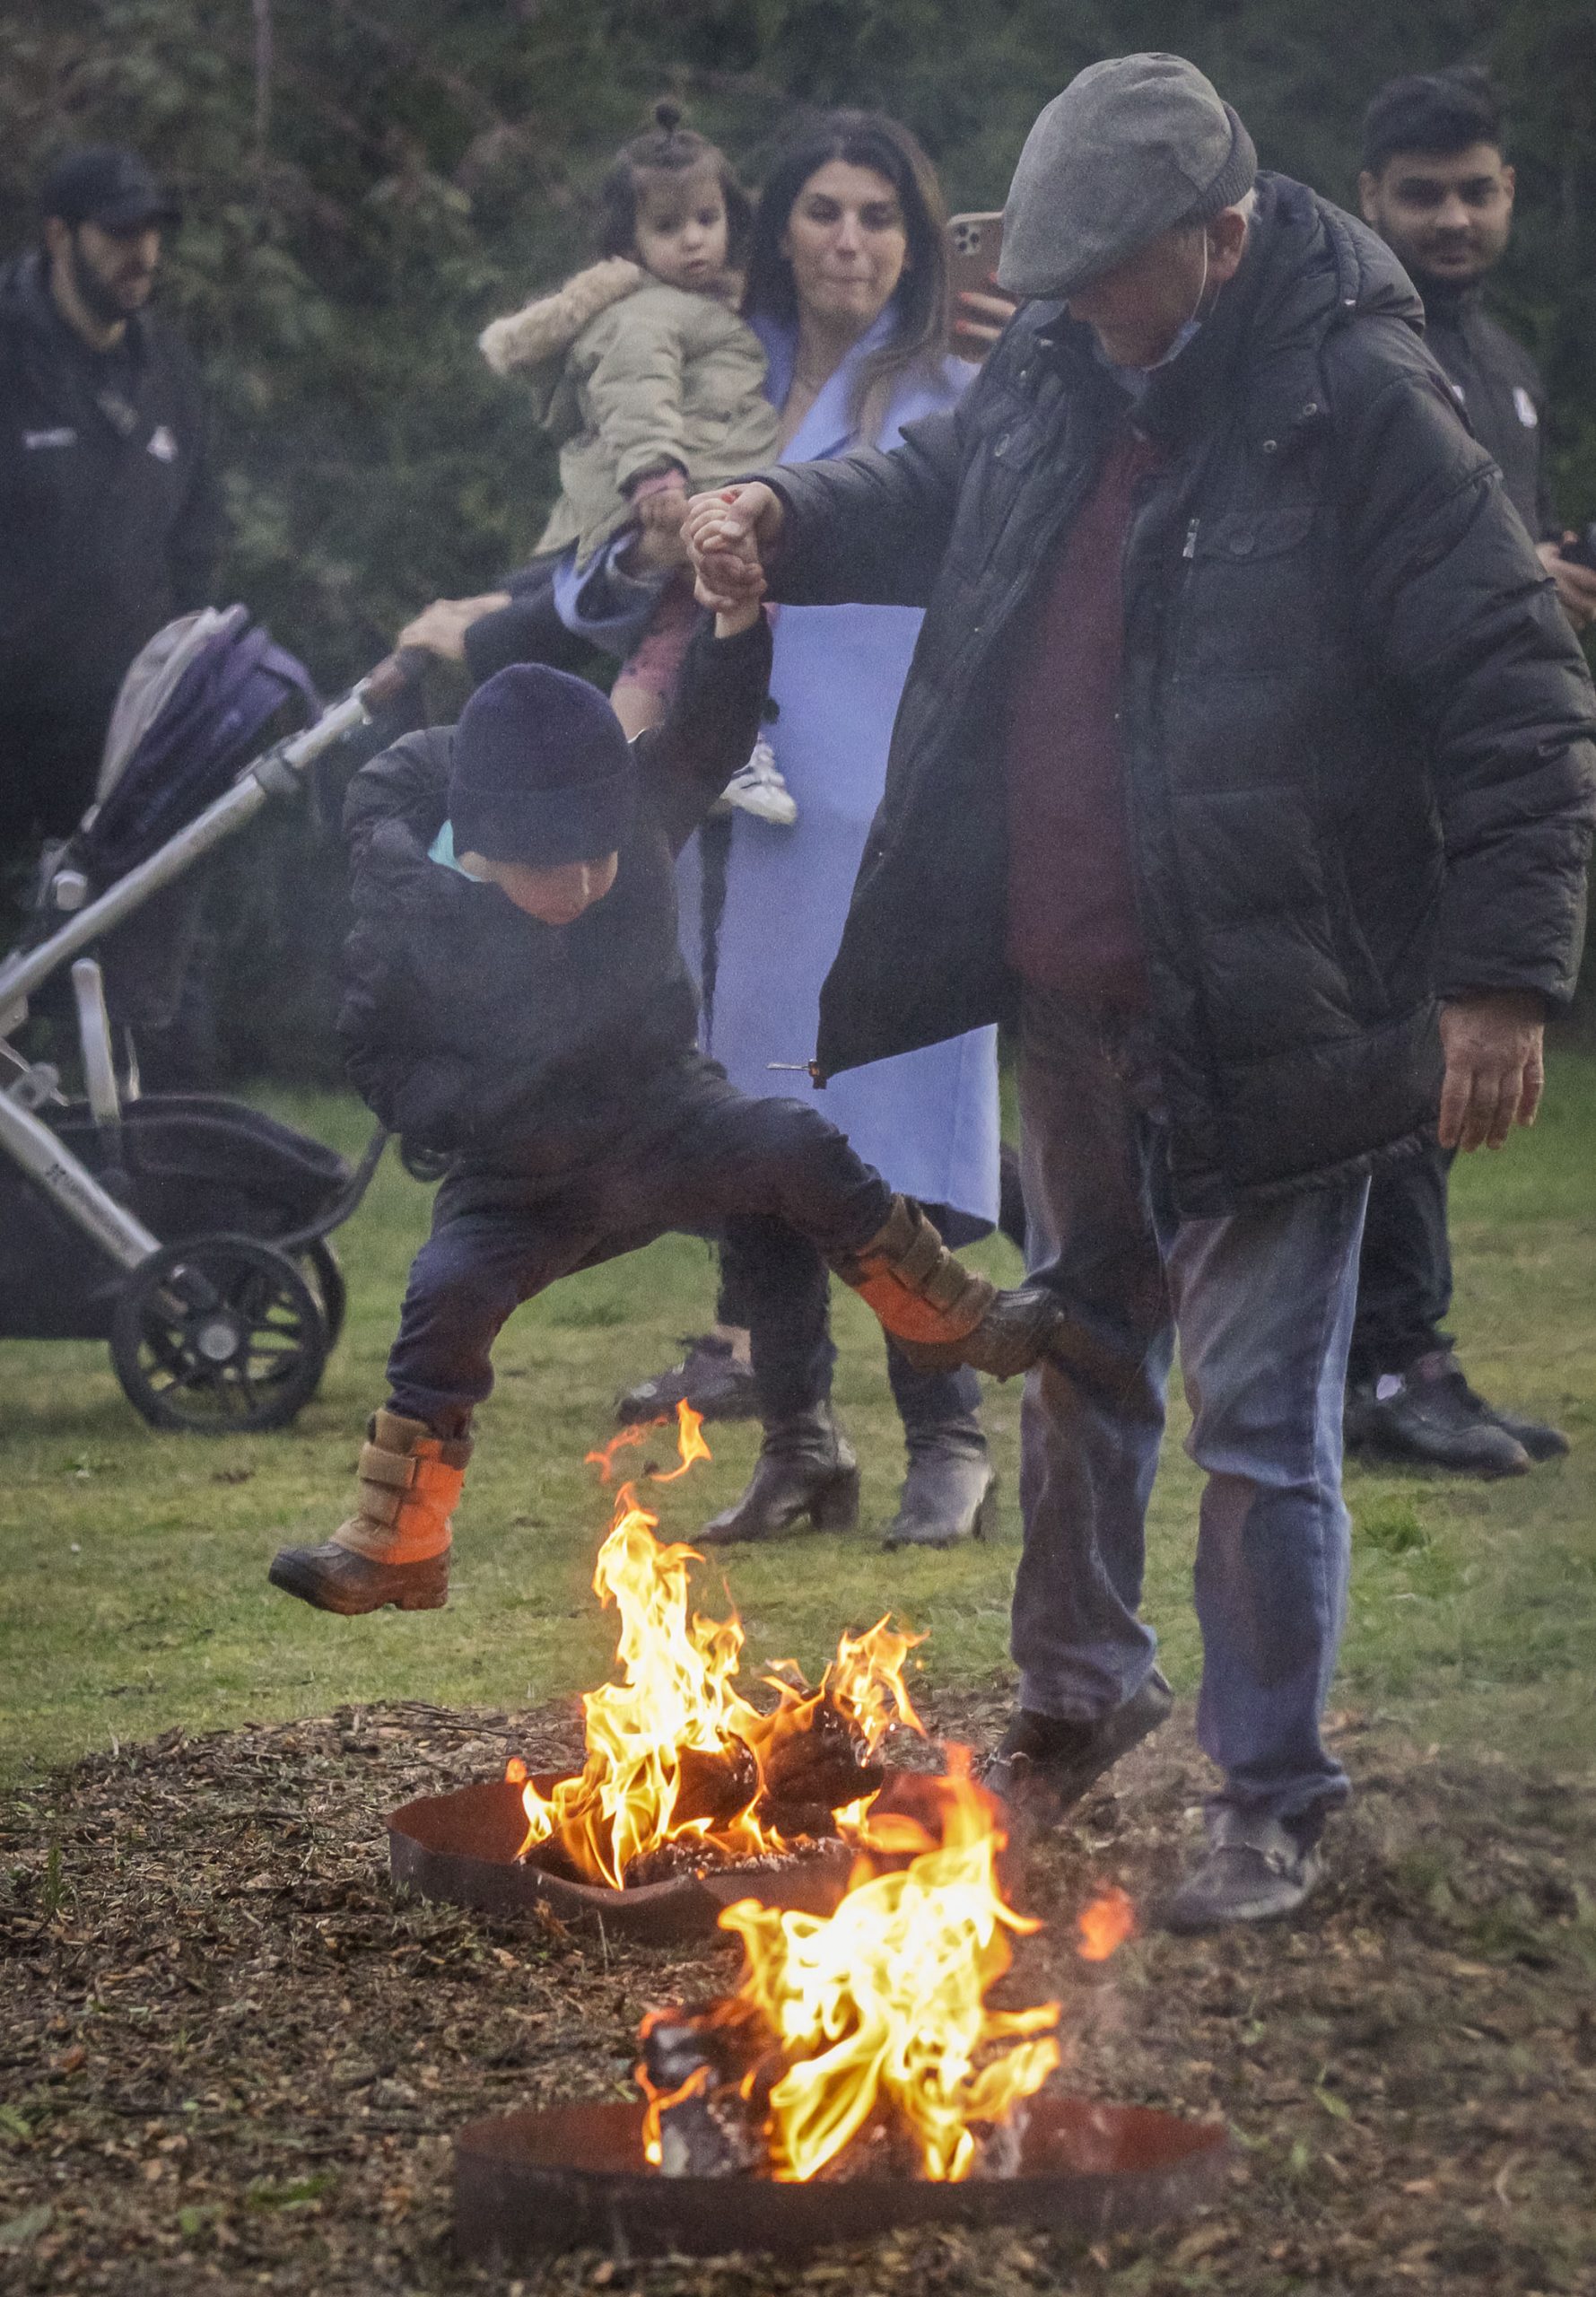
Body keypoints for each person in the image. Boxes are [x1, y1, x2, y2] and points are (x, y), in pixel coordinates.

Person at [686, 56, 1595, 1927]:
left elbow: (1514, 684)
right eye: (1060, 273)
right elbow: (933, 484)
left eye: (1110, 273)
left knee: (1259, 1414)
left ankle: (1269, 1790)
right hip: (1068, 978)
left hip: (1285, 990)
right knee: (1078, 1348)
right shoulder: (1054, 360)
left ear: (1223, 236)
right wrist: (783, 507)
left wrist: (1501, 981)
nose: (1074, 309)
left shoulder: (1358, 394)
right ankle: (1076, 1694)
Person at [266, 601, 1060, 1616]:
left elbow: (710, 732)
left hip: (664, 1117)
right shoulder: (407, 916)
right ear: (484, 845)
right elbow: (377, 1056)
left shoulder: (634, 819)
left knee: (794, 1142)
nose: (588, 884)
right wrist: (473, 1111)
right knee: (443, 1300)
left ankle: (948, 1319)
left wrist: (732, 626)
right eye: (554, 869)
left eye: (598, 856)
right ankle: (399, 1540)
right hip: (517, 1173)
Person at [615, 112, 1006, 1553]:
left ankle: (947, 1441)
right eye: (824, 212)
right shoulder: (725, 374)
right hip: (741, 800)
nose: (850, 241)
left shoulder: (965, 389)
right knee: (750, 1128)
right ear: (777, 223)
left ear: (915, 237)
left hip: (904, 802)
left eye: (878, 218)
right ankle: (797, 1445)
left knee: (896, 1124)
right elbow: (616, 519)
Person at [1347, 66, 1596, 1476]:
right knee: (1399, 1072)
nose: (1450, 217)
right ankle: (1388, 1367)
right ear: (1367, 196)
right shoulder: (1355, 348)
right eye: (1420, 193)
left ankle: (1403, 1356)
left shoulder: (1502, 359)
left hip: (1475, 775)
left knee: (1432, 1087)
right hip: (1377, 777)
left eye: (1475, 189)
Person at [398, 104, 792, 824]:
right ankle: (721, 751)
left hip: (697, 486)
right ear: (630, 241)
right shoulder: (647, 312)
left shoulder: (706, 306)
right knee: (722, 613)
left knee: (671, 636)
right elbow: (633, 388)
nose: (694, 240)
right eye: (667, 227)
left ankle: (631, 767)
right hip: (676, 494)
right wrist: (656, 476)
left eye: (706, 218)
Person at [0, 146, 222, 1083]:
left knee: (137, 983)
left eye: (153, 233)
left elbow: (199, 537)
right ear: (60, 235)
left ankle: (131, 1185)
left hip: (128, 737)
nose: (144, 254)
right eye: (120, 233)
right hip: (11, 727)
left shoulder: (165, 369)